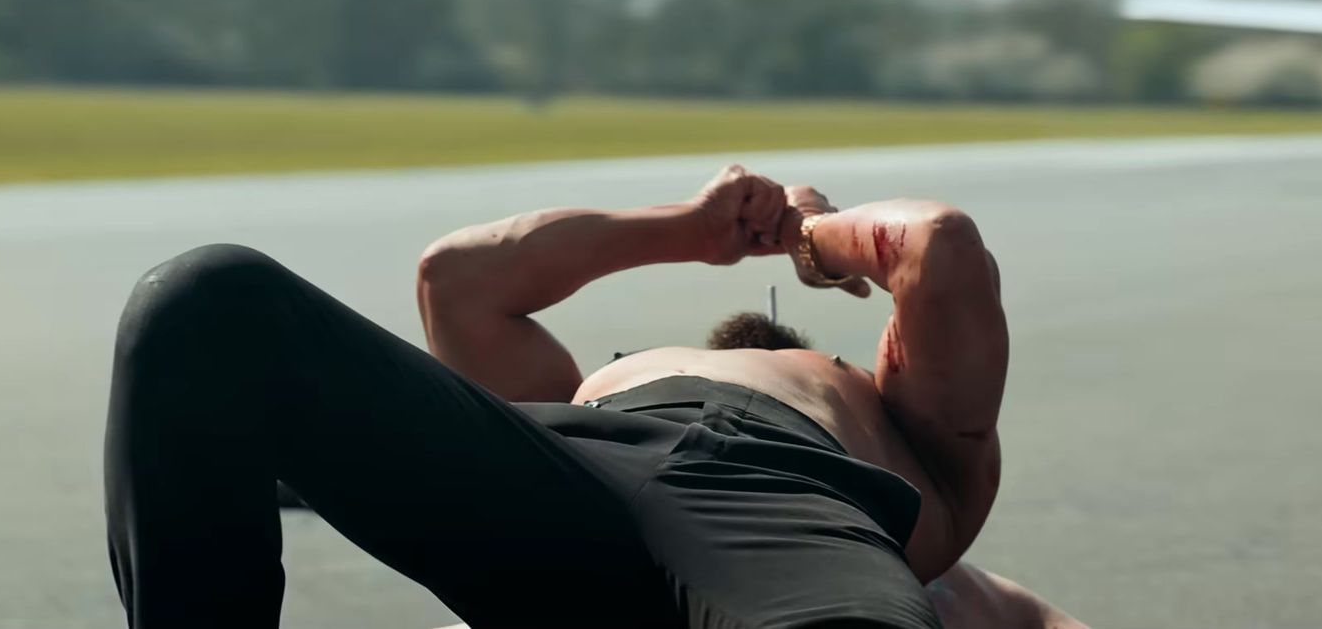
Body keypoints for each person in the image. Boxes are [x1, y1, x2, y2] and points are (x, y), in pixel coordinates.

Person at [103, 165, 1073, 628]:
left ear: (851, 375)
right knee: (206, 302)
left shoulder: (914, 447)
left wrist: (808, 239)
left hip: (780, 509)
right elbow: (457, 277)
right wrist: (689, 227)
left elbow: (937, 246)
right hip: (571, 471)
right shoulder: (570, 396)